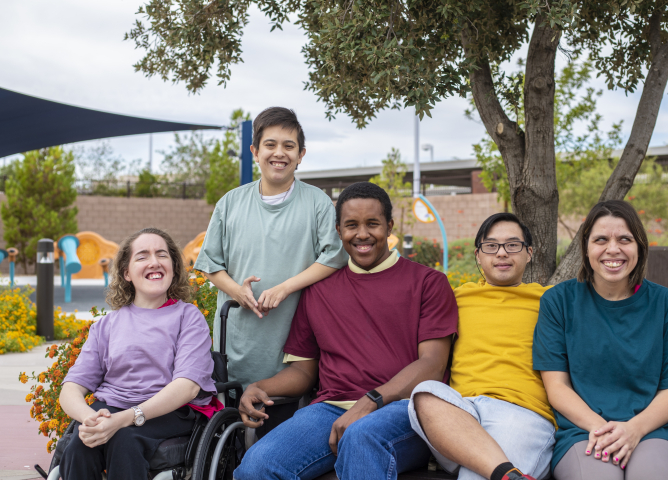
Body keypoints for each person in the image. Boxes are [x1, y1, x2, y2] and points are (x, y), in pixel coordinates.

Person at [234, 182, 459, 480]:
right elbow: (304, 372)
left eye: (373, 224)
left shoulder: (428, 282)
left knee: (360, 437)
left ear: (389, 226)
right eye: (351, 225)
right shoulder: (318, 290)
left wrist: (371, 402)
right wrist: (262, 387)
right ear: (339, 230)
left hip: (405, 412)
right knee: (256, 466)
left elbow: (433, 364)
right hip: (329, 411)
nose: (362, 234)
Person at [533, 200, 668, 480]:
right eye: (601, 239)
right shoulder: (558, 302)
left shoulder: (665, 303)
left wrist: (633, 429)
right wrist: (604, 429)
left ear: (639, 247)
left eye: (624, 239)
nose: (613, 249)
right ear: (585, 247)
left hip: (655, 431)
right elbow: (557, 387)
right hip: (585, 432)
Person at [194, 107, 348, 389]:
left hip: (294, 343)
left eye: (289, 146)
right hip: (238, 339)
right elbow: (210, 264)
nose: (280, 153)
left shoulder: (318, 203)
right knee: (234, 418)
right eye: (270, 145)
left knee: (284, 413)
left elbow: (334, 257)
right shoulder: (230, 203)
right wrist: (237, 291)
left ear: (301, 154)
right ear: (255, 151)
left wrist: (285, 287)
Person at [58, 227, 218, 480]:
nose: (154, 262)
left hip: (168, 411)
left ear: (174, 268)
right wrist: (90, 419)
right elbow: (71, 388)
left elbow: (187, 387)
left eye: (162, 255)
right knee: (80, 446)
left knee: (124, 441)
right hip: (111, 406)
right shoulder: (106, 325)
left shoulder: (188, 318)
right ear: (127, 273)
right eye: (142, 256)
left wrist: (125, 419)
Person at [409, 213, 554, 480]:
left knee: (474, 475)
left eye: (512, 245)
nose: (501, 253)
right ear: (478, 255)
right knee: (425, 392)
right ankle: (503, 471)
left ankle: (502, 472)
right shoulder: (457, 297)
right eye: (491, 246)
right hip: (460, 417)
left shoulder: (550, 300)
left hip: (520, 413)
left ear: (529, 253)